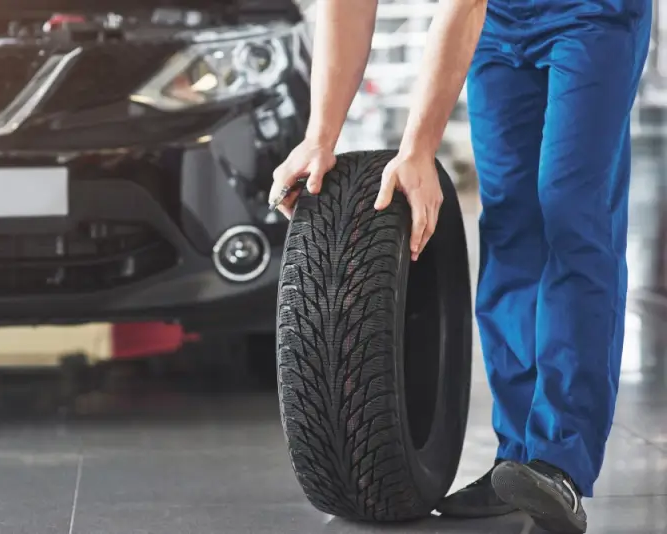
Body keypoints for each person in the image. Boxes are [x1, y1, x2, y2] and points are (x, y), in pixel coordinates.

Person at [269, 0, 651, 532]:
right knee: (510, 225)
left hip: (591, 14)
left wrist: (417, 150)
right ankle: (516, 459)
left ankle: (560, 459)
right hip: (499, 24)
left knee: (571, 212)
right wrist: (319, 138)